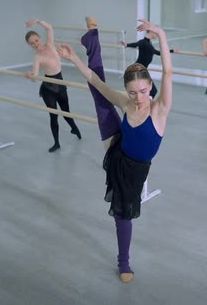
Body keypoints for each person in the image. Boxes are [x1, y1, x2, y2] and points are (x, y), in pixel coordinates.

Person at [58, 19, 172, 284]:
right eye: (132, 93)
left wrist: (162, 35)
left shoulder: (159, 109)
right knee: (100, 96)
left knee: (126, 209)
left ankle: (92, 39)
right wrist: (74, 58)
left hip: (135, 168)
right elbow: (97, 82)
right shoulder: (126, 101)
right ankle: (124, 261)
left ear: (150, 86)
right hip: (115, 148)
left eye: (143, 91)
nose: (138, 97)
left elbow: (168, 73)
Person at [24, 19, 81, 153]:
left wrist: (37, 21)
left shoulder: (50, 45)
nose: (35, 44)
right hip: (48, 88)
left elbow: (49, 28)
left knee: (66, 113)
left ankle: (75, 128)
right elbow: (35, 76)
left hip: (60, 84)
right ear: (29, 45)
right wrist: (30, 76)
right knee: (53, 116)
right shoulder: (37, 57)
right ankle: (56, 143)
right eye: (31, 43)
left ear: (39, 39)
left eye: (36, 40)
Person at [81, 16, 121, 149]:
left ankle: (92, 33)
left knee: (98, 84)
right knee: (99, 87)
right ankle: (92, 33)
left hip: (110, 128)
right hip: (112, 128)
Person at [120, 30, 178, 99]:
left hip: (141, 69)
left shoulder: (148, 43)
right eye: (156, 33)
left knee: (150, 90)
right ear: (151, 32)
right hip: (139, 69)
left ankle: (144, 104)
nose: (157, 36)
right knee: (152, 91)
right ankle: (144, 105)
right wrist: (127, 45)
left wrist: (172, 51)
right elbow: (137, 44)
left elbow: (158, 52)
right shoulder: (144, 42)